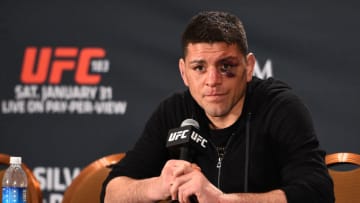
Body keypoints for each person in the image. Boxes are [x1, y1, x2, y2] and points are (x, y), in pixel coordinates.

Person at [101, 11, 334, 203]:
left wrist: (222, 201)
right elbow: (110, 193)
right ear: (184, 72)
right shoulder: (174, 111)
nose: (212, 80)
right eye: (199, 68)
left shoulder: (280, 108)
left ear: (249, 66)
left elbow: (318, 193)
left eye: (226, 66)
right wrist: (159, 186)